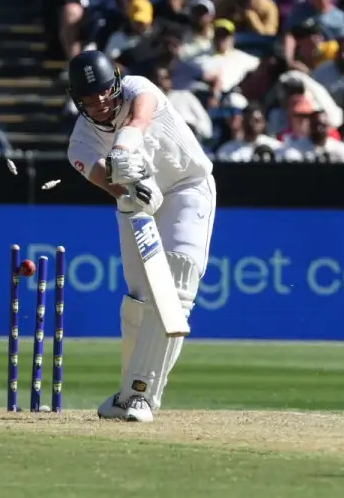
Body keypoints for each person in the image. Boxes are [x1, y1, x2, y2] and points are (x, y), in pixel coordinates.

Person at [65, 51, 217, 424]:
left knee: (177, 289)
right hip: (136, 204)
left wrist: (121, 152)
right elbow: (112, 186)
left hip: (188, 186)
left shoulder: (139, 88)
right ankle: (127, 393)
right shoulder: (79, 146)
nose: (99, 101)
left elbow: (140, 118)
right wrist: (129, 190)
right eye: (89, 96)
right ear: (77, 99)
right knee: (140, 301)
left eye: (103, 91)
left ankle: (141, 395)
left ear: (115, 82)